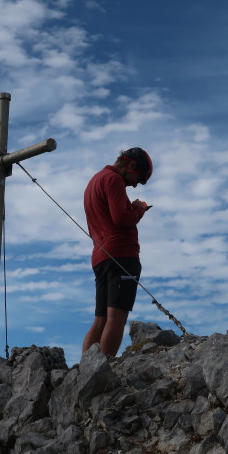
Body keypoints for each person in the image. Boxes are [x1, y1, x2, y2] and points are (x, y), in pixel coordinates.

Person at [82, 147, 153, 356]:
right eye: (139, 178)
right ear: (131, 165)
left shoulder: (96, 180)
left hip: (101, 256)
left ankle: (85, 373)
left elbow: (110, 216)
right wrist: (139, 209)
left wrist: (129, 207)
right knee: (116, 319)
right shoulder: (114, 179)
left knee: (100, 320)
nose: (135, 184)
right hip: (121, 254)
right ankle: (102, 374)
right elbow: (120, 219)